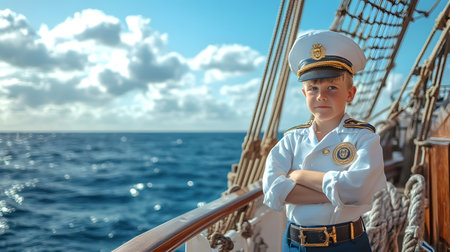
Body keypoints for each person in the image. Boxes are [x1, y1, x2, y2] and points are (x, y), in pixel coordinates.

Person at [262, 30, 387, 251]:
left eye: (332, 88)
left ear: (350, 94)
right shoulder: (291, 140)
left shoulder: (364, 138)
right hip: (294, 245)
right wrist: (338, 193)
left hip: (346, 244)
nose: (321, 96)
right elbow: (272, 192)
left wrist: (300, 176)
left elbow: (358, 192)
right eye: (313, 88)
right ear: (304, 93)